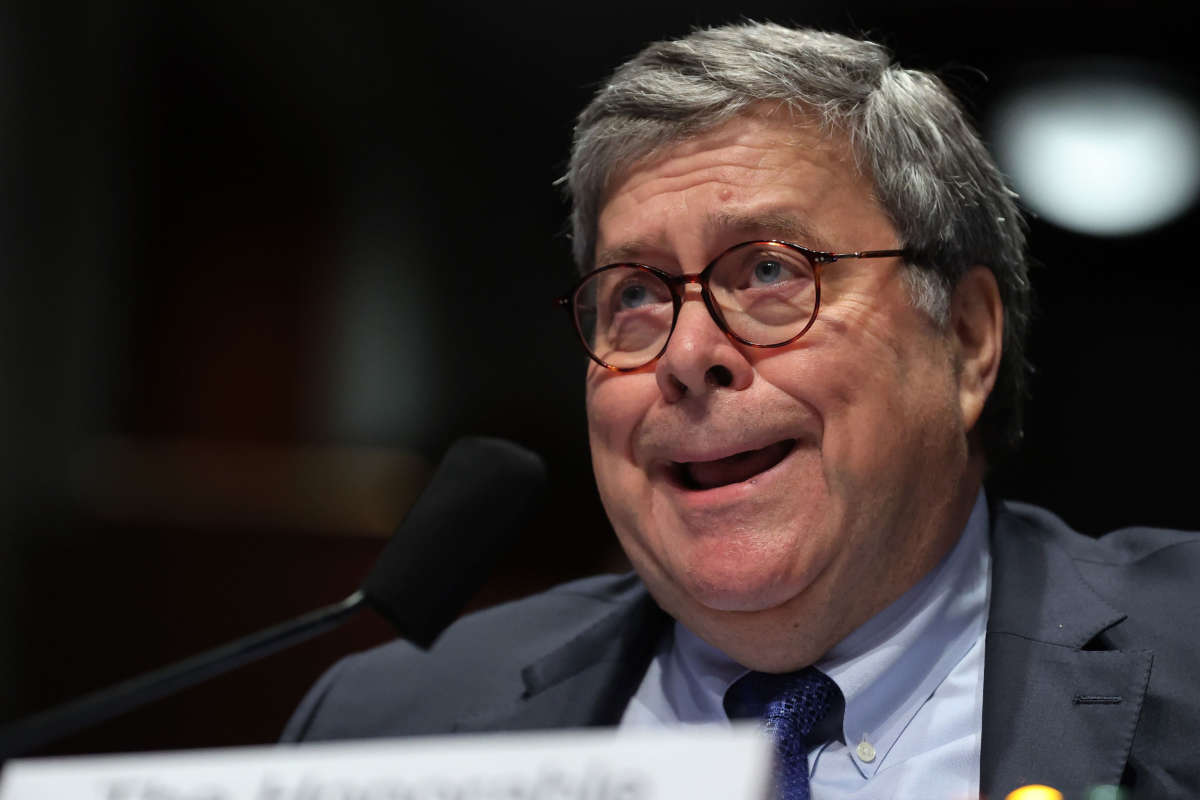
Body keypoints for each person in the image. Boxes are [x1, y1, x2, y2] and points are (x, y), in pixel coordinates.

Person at [281, 22, 1200, 799]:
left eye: (770, 272)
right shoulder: (382, 732)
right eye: (635, 294)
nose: (686, 356)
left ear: (964, 339)